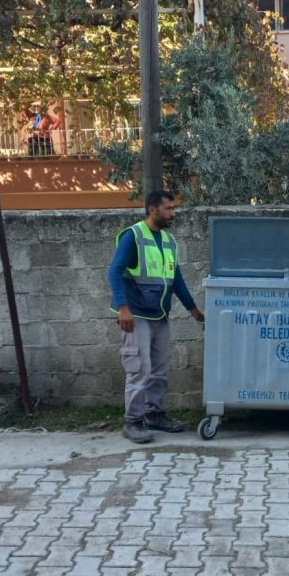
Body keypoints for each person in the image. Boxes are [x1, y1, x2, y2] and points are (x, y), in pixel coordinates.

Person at [108, 190, 205, 443]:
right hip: (136, 314)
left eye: (174, 209)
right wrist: (122, 307)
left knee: (160, 370)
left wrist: (192, 308)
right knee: (140, 369)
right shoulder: (134, 236)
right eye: (169, 209)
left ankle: (154, 414)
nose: (173, 213)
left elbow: (176, 279)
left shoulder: (169, 241)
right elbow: (114, 272)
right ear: (153, 209)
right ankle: (133, 422)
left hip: (159, 315)